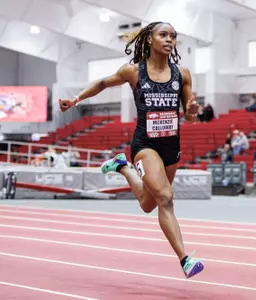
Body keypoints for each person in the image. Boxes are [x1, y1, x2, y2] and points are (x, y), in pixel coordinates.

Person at [58, 22, 204, 279]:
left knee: (149, 204)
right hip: (145, 145)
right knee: (166, 199)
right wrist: (76, 100)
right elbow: (102, 83)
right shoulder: (134, 72)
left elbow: (190, 116)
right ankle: (185, 259)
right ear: (149, 39)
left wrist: (192, 113)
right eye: (163, 35)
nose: (169, 40)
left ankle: (122, 167)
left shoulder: (183, 74)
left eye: (173, 36)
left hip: (171, 147)